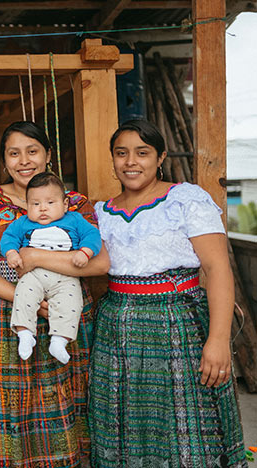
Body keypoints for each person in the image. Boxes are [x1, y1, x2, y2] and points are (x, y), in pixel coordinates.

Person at [89, 120, 246, 467]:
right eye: (122, 153)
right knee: (123, 424)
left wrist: (218, 340)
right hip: (117, 326)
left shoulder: (186, 200)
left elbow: (218, 269)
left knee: (185, 425)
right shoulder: (101, 212)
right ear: (113, 159)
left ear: (160, 157)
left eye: (142, 153)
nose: (131, 162)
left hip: (178, 322)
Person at [0, 121, 110, 467]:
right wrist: (27, 299)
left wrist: (38, 259)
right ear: (3, 160)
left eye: (32, 151)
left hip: (65, 309)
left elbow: (100, 263)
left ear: (48, 155)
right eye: (14, 153)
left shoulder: (74, 202)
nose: (23, 161)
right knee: (2, 403)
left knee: (58, 401)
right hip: (2, 312)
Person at [1, 172, 102, 364]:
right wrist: (11, 253)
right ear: (27, 206)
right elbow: (9, 237)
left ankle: (59, 340)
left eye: (50, 203)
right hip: (33, 274)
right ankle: (25, 334)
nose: (42, 209)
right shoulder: (23, 223)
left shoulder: (75, 220)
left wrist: (85, 252)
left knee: (71, 302)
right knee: (22, 295)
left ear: (65, 204)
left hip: (66, 275)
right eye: (35, 204)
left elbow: (92, 235)